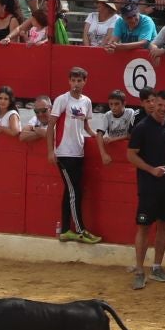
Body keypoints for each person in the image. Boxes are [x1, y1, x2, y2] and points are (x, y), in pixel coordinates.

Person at [126, 88, 165, 290]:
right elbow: (131, 155)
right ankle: (139, 270)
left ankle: (157, 267)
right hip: (149, 184)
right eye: (160, 105)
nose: (163, 108)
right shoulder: (142, 128)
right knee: (144, 226)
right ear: (153, 104)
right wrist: (150, 169)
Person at [49, 66, 99, 243]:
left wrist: (95, 135)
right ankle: (79, 230)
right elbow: (51, 125)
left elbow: (85, 126)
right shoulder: (62, 100)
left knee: (71, 191)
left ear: (85, 82)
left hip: (78, 150)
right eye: (73, 80)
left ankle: (65, 230)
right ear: (69, 81)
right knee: (74, 191)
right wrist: (51, 151)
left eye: (79, 80)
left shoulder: (86, 101)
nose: (76, 84)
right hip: (64, 151)